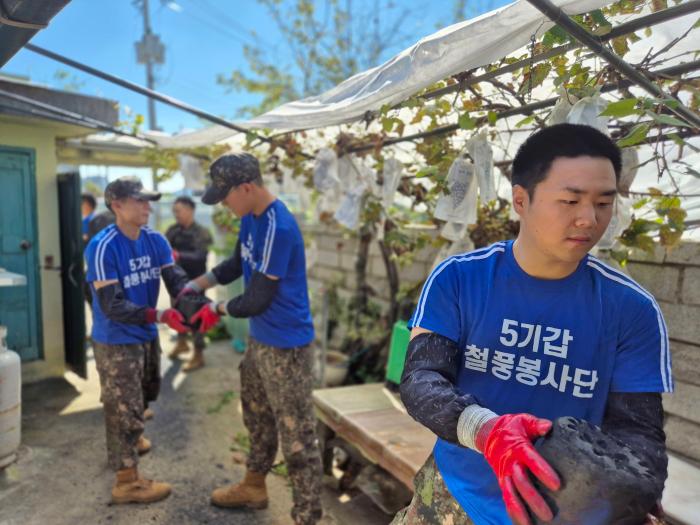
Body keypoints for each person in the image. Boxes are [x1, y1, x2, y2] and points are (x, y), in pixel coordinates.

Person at [392, 123, 672, 525]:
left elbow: (639, 432)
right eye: (570, 201)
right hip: (454, 496)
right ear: (521, 200)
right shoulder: (459, 278)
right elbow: (421, 380)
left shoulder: (632, 310)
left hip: (559, 512)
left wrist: (629, 492)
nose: (588, 220)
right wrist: (488, 432)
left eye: (603, 203)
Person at [181, 153, 323, 525]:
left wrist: (216, 309)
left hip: (287, 348)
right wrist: (197, 284)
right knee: (257, 417)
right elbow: (234, 264)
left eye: (226, 196)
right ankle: (254, 485)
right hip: (261, 342)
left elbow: (258, 298)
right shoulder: (250, 219)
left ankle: (307, 516)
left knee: (297, 437)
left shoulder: (279, 226)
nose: (225, 205)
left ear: (247, 187)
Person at [84, 176, 191, 504]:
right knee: (122, 408)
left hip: (144, 334)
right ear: (117, 205)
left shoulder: (155, 240)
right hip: (115, 339)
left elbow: (176, 279)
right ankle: (127, 481)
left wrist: (195, 304)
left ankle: (131, 438)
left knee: (142, 396)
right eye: (139, 200)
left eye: (149, 200)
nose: (148, 206)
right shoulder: (102, 246)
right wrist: (158, 316)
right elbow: (112, 305)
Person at [165, 196, 213, 371]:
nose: (175, 214)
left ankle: (199, 355)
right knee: (177, 314)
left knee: (197, 317)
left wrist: (179, 255)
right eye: (174, 211)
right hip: (176, 283)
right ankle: (182, 343)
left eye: (178, 210)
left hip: (196, 282)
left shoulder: (202, 232)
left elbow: (201, 256)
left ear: (190, 209)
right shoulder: (172, 231)